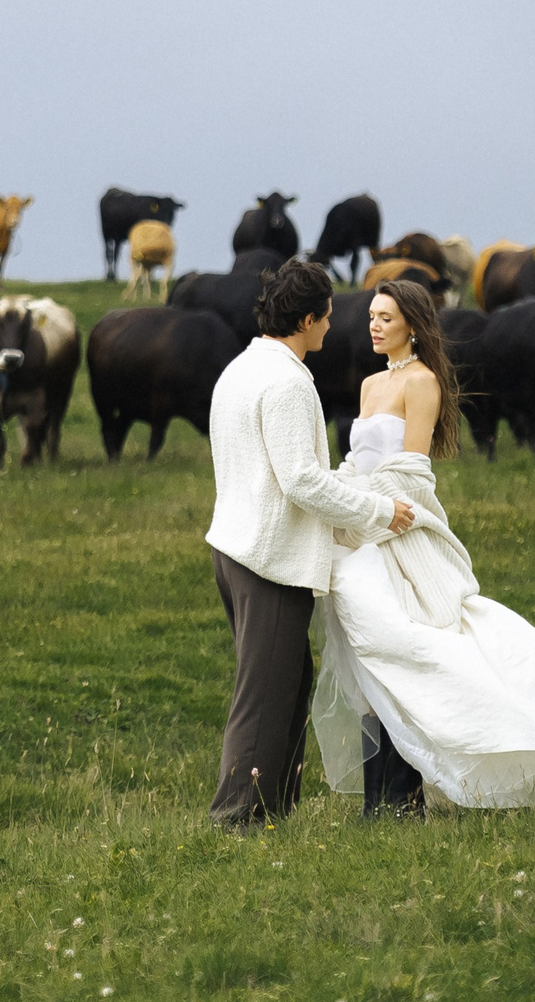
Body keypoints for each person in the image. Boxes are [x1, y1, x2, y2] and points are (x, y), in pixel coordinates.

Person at [310, 280, 535, 813]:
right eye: (371, 316)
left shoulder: (423, 382)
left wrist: (365, 506)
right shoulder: (368, 384)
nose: (374, 326)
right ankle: (381, 804)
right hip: (362, 534)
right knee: (368, 660)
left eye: (386, 317)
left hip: (398, 531)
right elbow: (358, 460)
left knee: (407, 647)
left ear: (412, 324)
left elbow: (410, 472)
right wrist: (337, 500)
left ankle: (421, 786)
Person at [203, 259, 412, 826]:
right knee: (266, 692)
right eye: (326, 315)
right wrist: (378, 510)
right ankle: (236, 818)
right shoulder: (289, 382)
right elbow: (298, 479)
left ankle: (272, 810)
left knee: (289, 685)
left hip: (236, 546)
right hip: (267, 558)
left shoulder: (242, 368)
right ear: (308, 318)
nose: (331, 325)